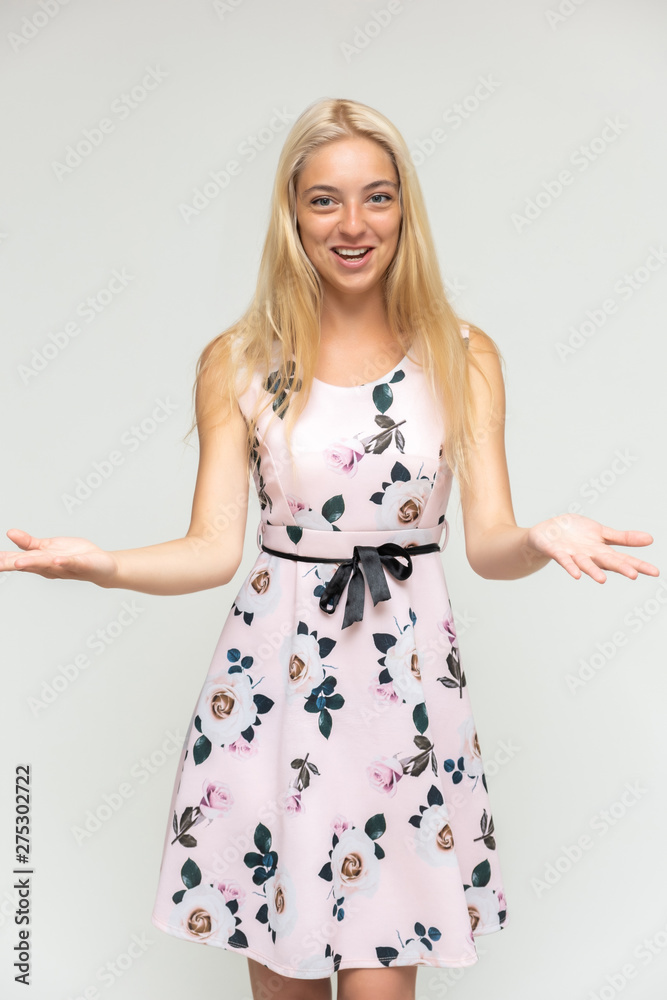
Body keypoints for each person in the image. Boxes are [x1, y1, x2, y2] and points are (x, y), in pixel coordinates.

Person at [3, 97, 659, 1000]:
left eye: (376, 197)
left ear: (403, 209)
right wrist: (103, 565)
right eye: (325, 200)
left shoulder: (462, 355)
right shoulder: (238, 361)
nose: (353, 224)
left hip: (405, 698)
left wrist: (540, 539)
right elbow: (211, 548)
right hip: (274, 694)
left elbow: (489, 545)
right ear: (293, 214)